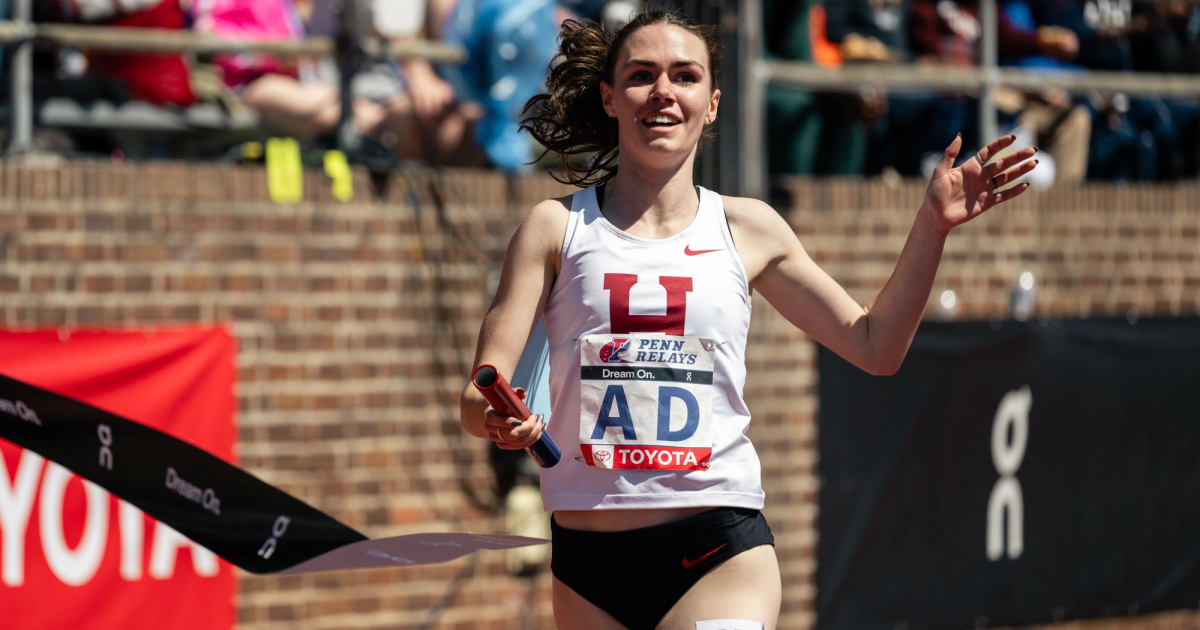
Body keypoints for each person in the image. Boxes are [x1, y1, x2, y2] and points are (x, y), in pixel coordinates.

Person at [459, 10, 1037, 630]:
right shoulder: (555, 227)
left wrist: (932, 225)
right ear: (609, 97)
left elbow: (875, 345)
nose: (662, 92)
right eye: (641, 75)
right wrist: (498, 419)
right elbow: (477, 394)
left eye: (684, 76)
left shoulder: (747, 227)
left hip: (715, 550)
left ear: (711, 105)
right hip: (587, 562)